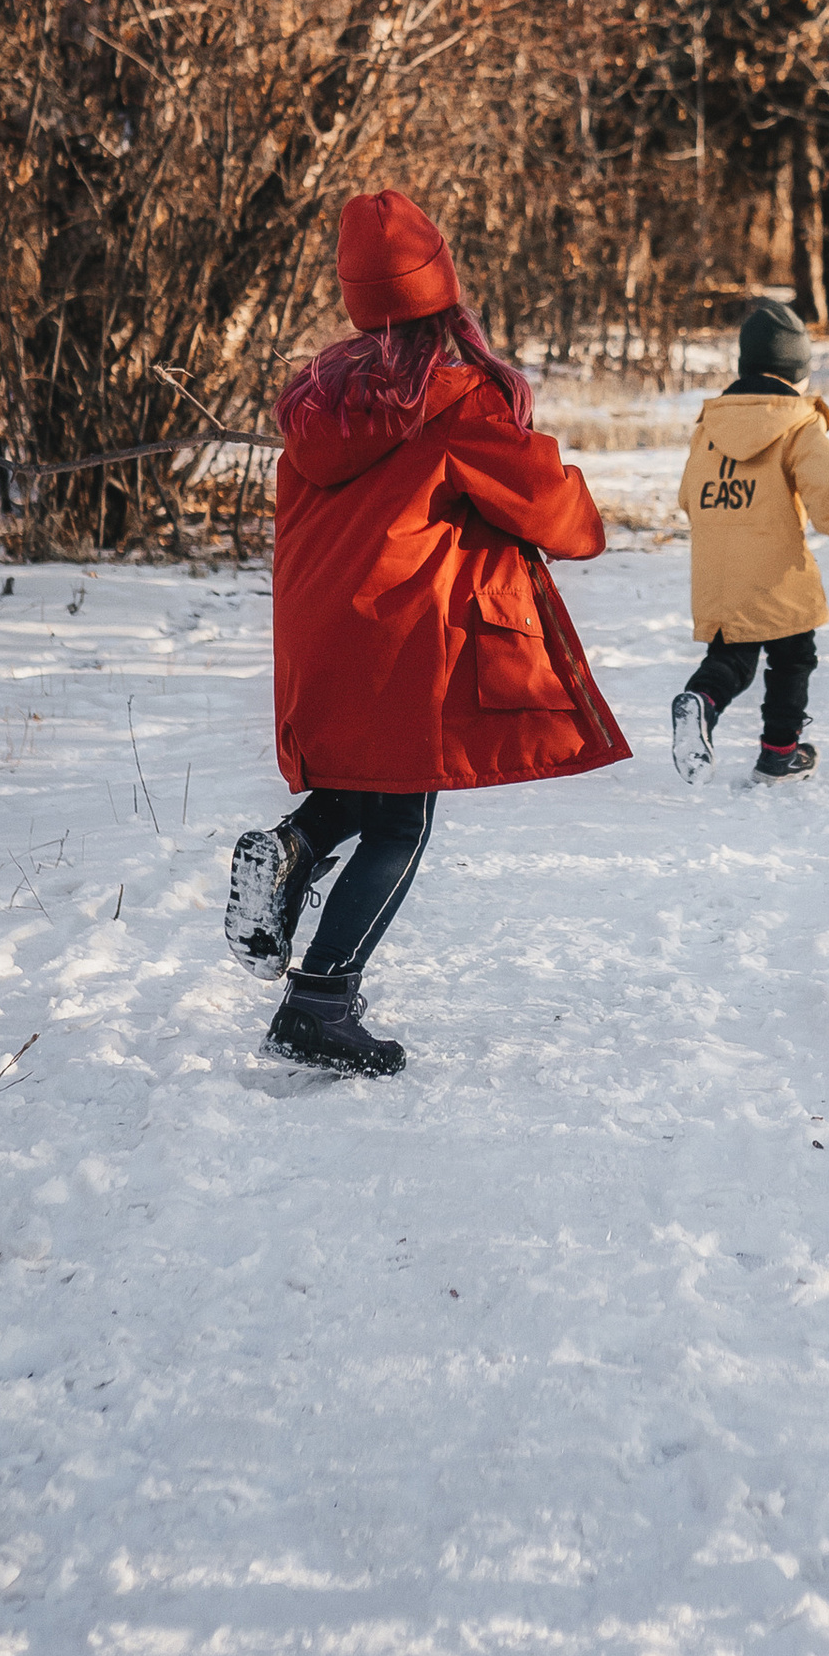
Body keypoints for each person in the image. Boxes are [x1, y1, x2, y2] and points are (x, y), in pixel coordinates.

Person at [226, 188, 628, 1075]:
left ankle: (292, 847)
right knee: (401, 823)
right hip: (402, 636)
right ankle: (317, 1005)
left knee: (367, 787)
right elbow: (565, 520)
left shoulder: (316, 401)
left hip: (318, 631)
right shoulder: (458, 402)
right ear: (443, 288)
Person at [671, 299, 829, 785]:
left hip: (717, 570)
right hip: (777, 568)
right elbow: (826, 490)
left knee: (732, 658)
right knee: (793, 656)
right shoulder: (801, 424)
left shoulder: (711, 424)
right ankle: (779, 755)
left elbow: (688, 495)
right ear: (796, 373)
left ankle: (701, 700)